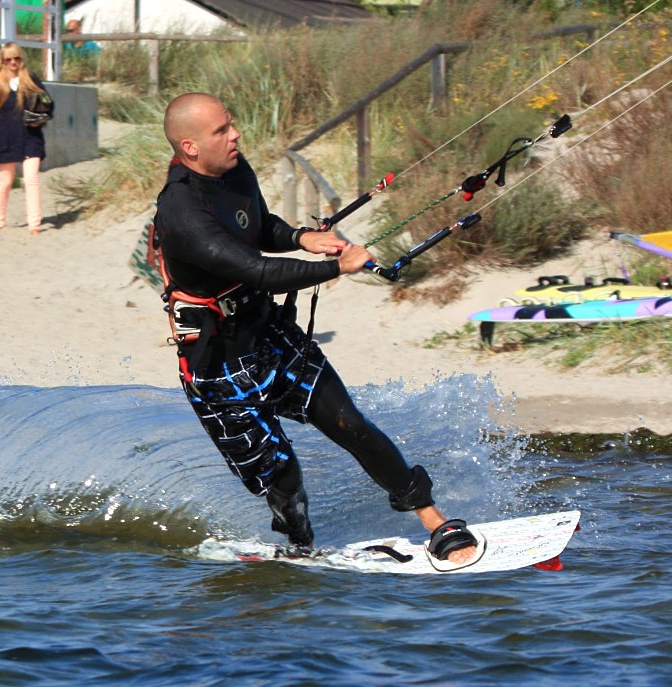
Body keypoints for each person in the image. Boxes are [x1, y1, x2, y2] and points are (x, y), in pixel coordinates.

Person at [153, 92, 480, 565]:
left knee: (352, 424)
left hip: (270, 335)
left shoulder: (235, 171)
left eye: (232, 124)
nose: (235, 135)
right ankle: (299, 547)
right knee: (284, 477)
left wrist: (302, 237)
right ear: (189, 147)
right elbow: (258, 270)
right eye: (221, 131)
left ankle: (434, 520)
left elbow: (257, 226)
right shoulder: (180, 213)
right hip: (217, 366)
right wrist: (339, 267)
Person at [0, 42, 54, 236]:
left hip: (31, 135)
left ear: (22, 59)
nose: (13, 62)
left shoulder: (31, 79)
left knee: (31, 179)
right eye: (8, 59)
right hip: (7, 135)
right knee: (5, 181)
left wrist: (41, 118)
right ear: (2, 62)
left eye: (17, 58)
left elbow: (48, 103)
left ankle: (34, 225)